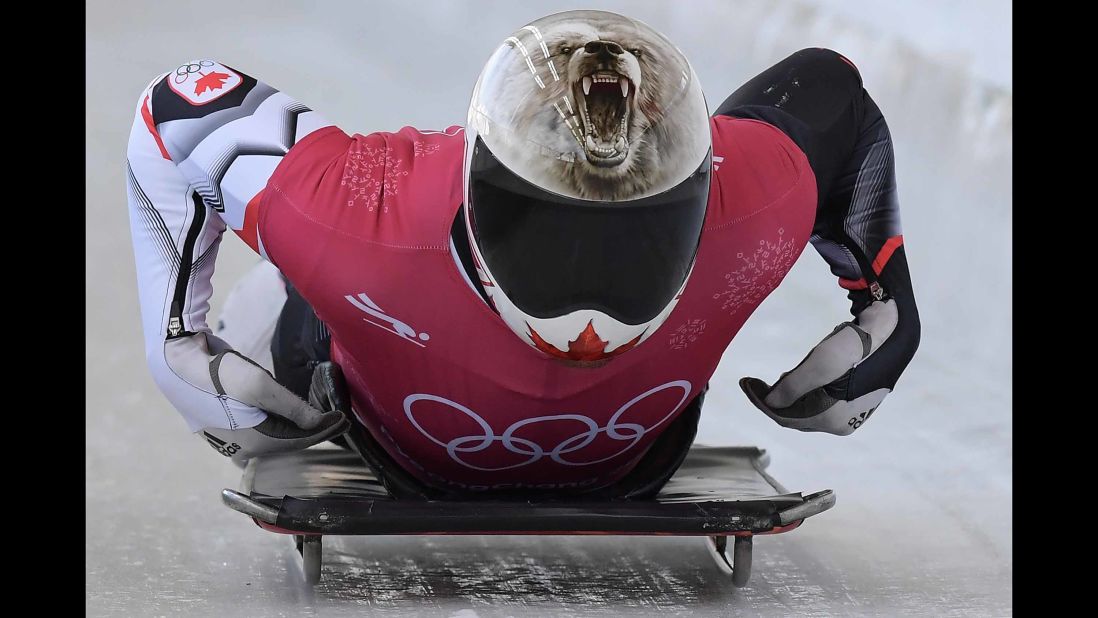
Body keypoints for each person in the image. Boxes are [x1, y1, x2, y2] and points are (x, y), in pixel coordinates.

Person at [125, 10, 919, 499]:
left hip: (392, 406)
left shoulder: (354, 217)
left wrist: (176, 342)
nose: (586, 329)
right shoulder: (757, 203)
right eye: (554, 229)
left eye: (636, 229)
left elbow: (177, 110)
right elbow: (833, 91)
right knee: (282, 294)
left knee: (276, 299)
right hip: (632, 455)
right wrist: (886, 304)